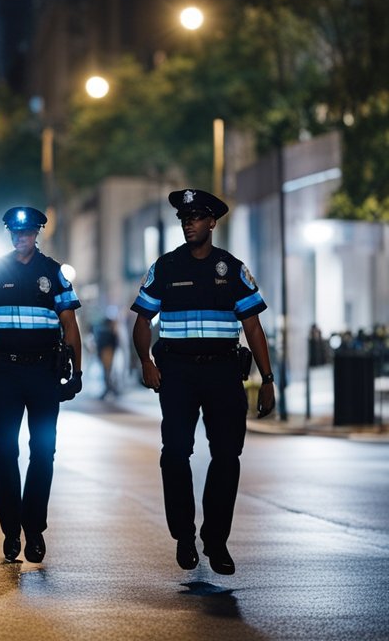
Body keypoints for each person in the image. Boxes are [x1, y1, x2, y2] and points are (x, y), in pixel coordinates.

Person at [131, 188, 275, 576]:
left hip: (223, 372)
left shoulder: (232, 268)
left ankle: (216, 540)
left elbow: (253, 325)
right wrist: (146, 361)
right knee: (175, 453)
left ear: (212, 222)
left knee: (227, 456)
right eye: (184, 218)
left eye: (196, 217)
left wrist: (268, 378)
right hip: (176, 373)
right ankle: (183, 536)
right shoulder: (165, 267)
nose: (188, 224)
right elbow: (143, 320)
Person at [0, 206, 82, 564]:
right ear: (9, 235)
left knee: (43, 452)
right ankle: (10, 531)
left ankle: (34, 529)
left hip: (44, 374)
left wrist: (76, 372)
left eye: (27, 232)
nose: (21, 238)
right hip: (5, 375)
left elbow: (70, 324)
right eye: (15, 232)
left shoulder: (54, 273)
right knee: (3, 452)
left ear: (37, 234)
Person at [95, 306, 121, 399]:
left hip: (107, 353)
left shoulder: (105, 330)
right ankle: (110, 389)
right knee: (108, 372)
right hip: (107, 353)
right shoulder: (108, 331)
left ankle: (111, 389)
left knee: (108, 373)